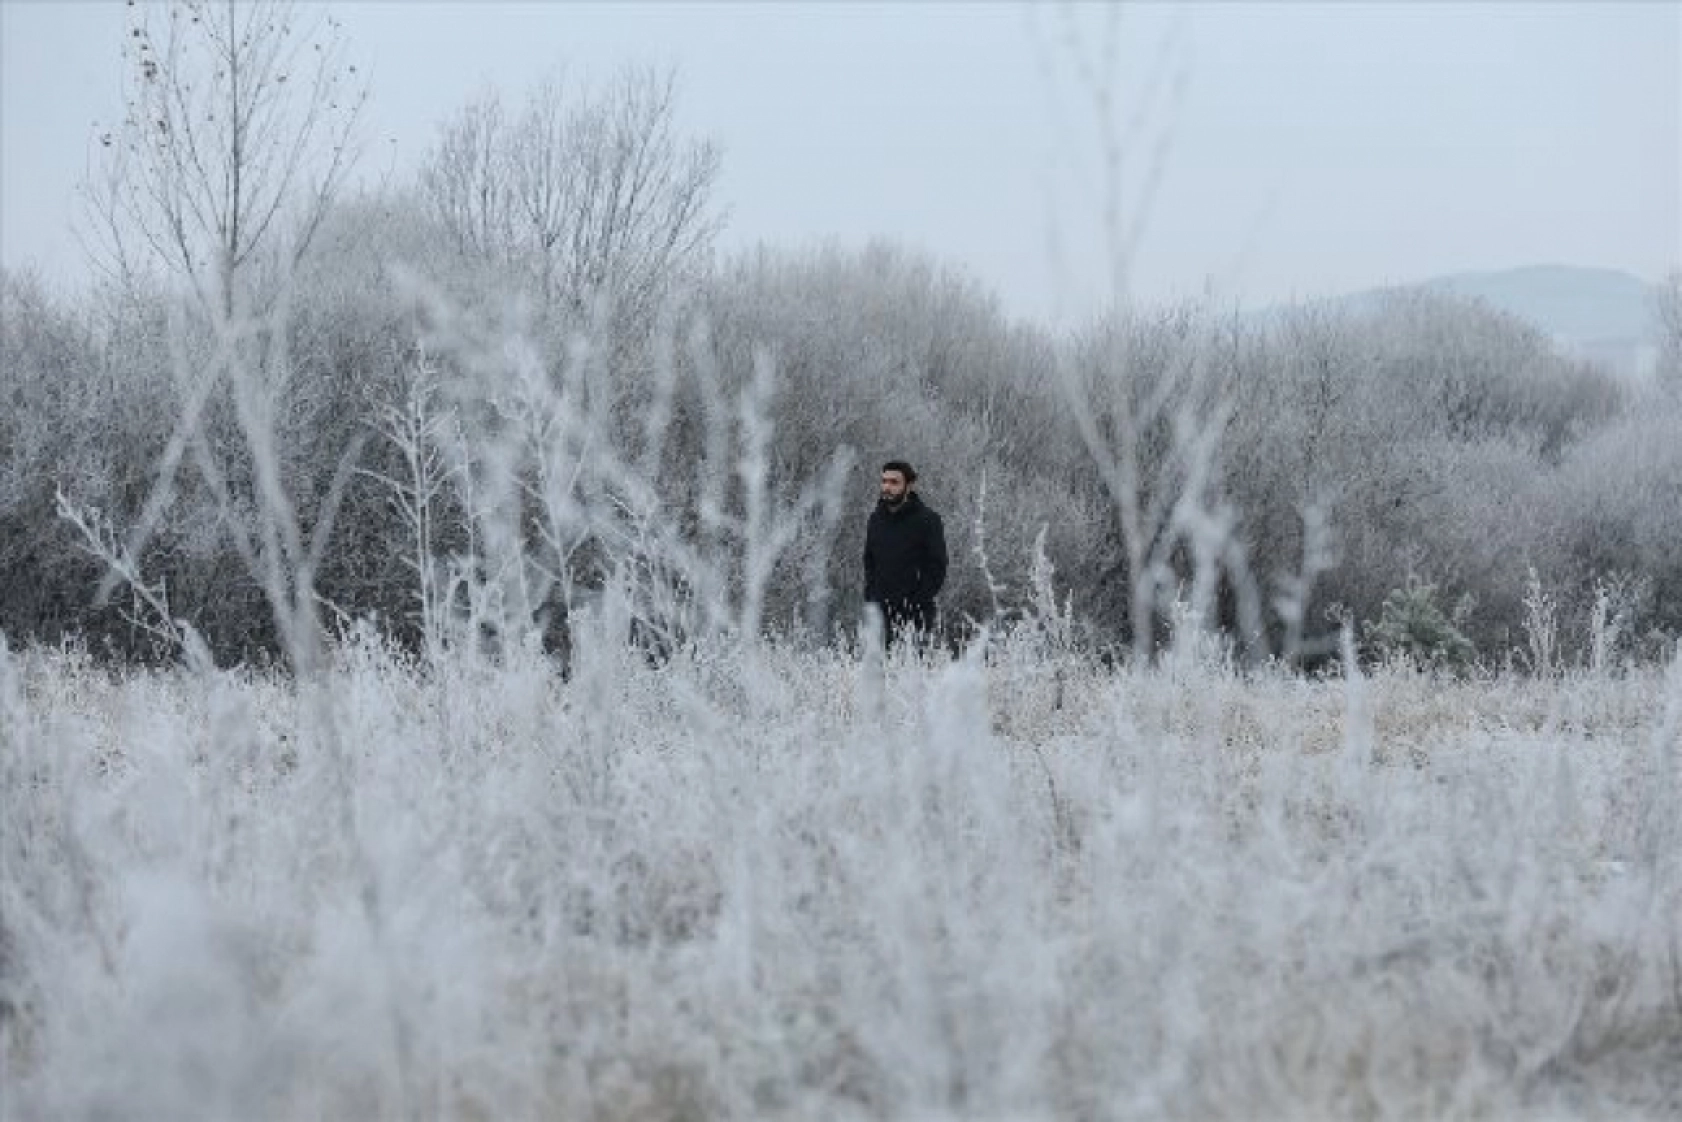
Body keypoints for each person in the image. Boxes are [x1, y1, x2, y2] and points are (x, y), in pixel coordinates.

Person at [863, 460, 947, 647]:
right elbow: (869, 560)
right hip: (880, 613)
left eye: (894, 482)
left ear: (909, 485)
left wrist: (917, 602)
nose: (887, 487)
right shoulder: (876, 519)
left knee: (912, 670)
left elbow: (937, 566)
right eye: (884, 481)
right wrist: (871, 595)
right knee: (879, 671)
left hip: (915, 615)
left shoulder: (928, 520)